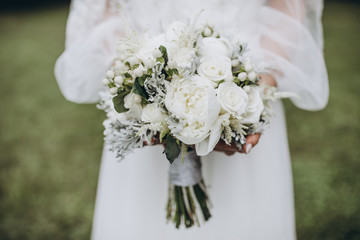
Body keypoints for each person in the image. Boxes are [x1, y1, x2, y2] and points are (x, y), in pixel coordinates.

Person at [55, 0, 329, 239]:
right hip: (143, 113)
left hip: (246, 93)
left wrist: (254, 93)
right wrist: (138, 87)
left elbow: (287, 6)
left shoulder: (248, 94)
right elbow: (106, 8)